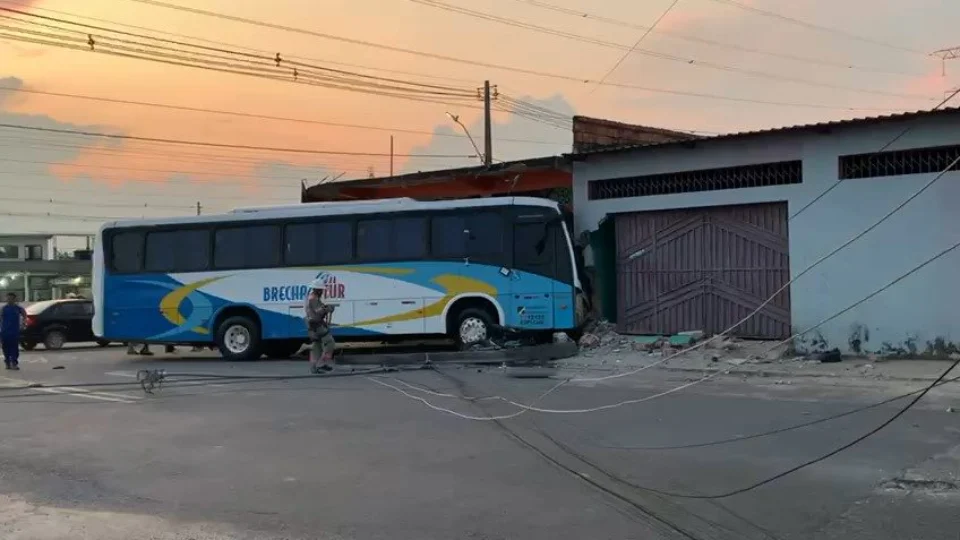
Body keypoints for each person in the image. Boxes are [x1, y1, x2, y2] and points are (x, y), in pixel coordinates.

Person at [304, 279, 336, 374]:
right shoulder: (313, 299)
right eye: (321, 289)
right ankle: (321, 364)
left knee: (317, 347)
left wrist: (326, 308)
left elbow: (320, 308)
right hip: (317, 326)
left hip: (313, 326)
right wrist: (328, 309)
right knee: (330, 343)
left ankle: (314, 368)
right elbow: (318, 311)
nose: (322, 291)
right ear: (317, 289)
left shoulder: (312, 298)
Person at [0, 293, 27, 370]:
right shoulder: (3, 309)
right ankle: (7, 362)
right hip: (4, 331)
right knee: (5, 348)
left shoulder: (18, 308)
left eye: (11, 298)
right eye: (8, 298)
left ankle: (14, 363)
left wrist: (23, 323)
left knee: (14, 348)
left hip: (14, 331)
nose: (9, 300)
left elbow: (25, 315)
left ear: (14, 299)